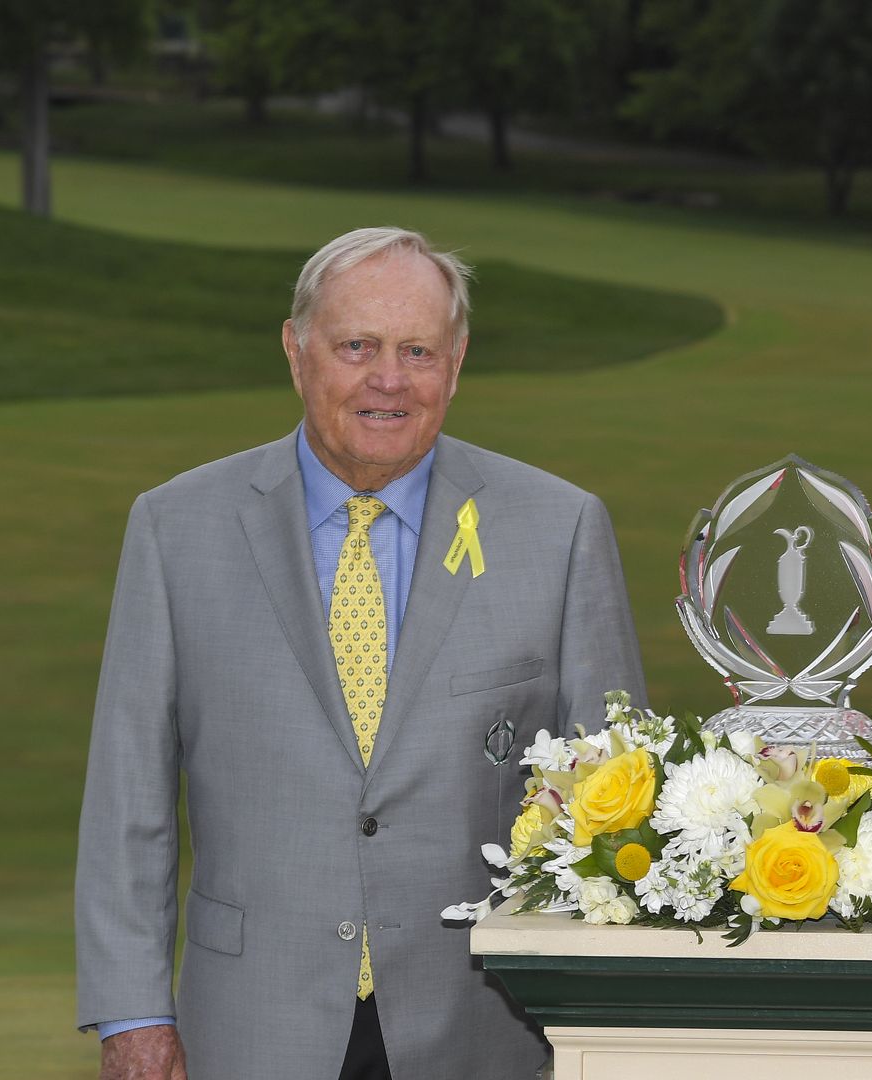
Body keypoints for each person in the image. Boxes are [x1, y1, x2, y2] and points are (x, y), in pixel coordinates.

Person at [74, 227, 646, 1080]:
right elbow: (131, 800)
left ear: (455, 363)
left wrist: (603, 1022)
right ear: (297, 351)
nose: (390, 379)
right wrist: (133, 1014)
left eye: (417, 350)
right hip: (248, 1028)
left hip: (484, 1032)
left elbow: (616, 808)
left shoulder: (558, 530)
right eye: (358, 347)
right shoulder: (176, 529)